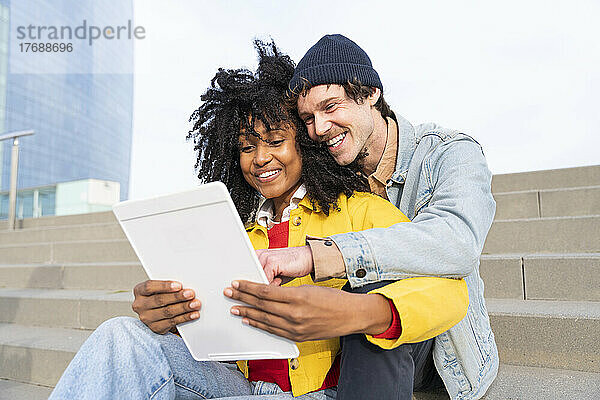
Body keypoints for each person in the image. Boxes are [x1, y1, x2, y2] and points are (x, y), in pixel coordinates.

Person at [49, 41, 467, 400]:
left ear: (304, 142)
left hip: (321, 392)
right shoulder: (234, 231)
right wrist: (169, 316)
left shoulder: (359, 210)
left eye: (275, 140)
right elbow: (215, 331)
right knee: (121, 337)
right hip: (237, 384)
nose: (260, 158)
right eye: (247, 146)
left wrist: (363, 312)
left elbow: (449, 291)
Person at [223, 35, 499, 400]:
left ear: (369, 93)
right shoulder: (331, 177)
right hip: (360, 357)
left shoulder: (450, 154)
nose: (319, 129)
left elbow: (457, 243)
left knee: (370, 286)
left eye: (331, 106)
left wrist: (316, 254)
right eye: (308, 117)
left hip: (442, 349)